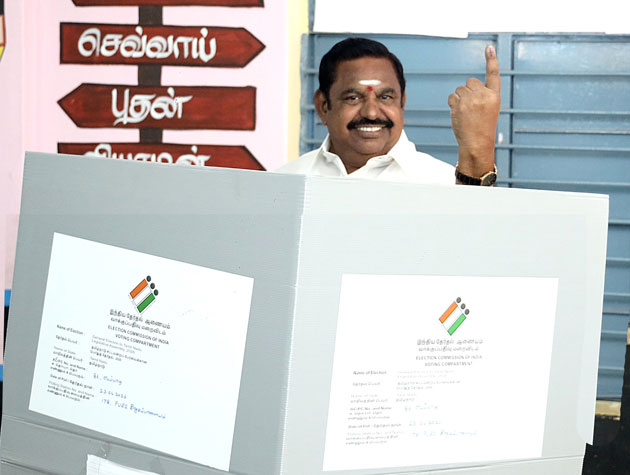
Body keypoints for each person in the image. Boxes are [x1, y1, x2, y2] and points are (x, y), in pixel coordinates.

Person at [276, 37, 501, 186]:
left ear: (402, 102)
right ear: (323, 106)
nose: (372, 113)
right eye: (353, 98)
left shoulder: (446, 184)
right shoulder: (284, 184)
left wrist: (477, 156)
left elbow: (473, 240)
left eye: (385, 97)